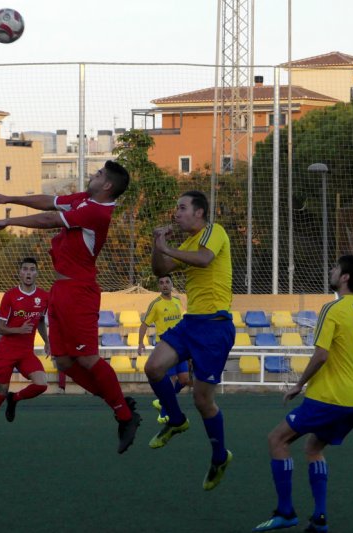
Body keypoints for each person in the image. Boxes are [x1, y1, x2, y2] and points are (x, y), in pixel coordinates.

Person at [0, 160, 141, 454]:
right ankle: (119, 403)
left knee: (88, 359)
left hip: (79, 291)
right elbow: (49, 203)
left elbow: (49, 220)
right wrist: (9, 198)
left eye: (98, 174)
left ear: (107, 185)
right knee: (64, 362)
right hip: (61, 290)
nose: (92, 176)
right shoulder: (86, 200)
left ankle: (124, 415)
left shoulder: (97, 211)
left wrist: (8, 221)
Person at [251, 255, 353, 533]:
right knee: (313, 448)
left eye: (336, 267)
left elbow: (321, 355)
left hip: (328, 398)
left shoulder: (333, 309)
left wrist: (299, 385)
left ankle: (285, 512)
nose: (332, 270)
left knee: (277, 439)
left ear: (346, 277)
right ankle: (320, 518)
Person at [144, 190, 236, 491]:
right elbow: (159, 270)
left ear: (199, 212)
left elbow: (204, 259)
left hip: (215, 327)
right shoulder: (185, 243)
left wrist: (168, 248)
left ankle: (220, 457)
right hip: (192, 322)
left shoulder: (215, 232)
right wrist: (159, 246)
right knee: (154, 367)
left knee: (203, 400)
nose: (177, 213)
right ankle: (175, 419)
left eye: (182, 208)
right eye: (176, 207)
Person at [0, 257, 50, 444]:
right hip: (6, 351)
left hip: (26, 352)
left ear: (37, 273)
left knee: (41, 384)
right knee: (1, 391)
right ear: (20, 273)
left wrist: (47, 341)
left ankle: (15, 399)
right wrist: (18, 330)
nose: (28, 273)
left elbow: (40, 321)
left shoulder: (44, 297)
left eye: (32, 269)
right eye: (25, 269)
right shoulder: (10, 296)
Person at [137, 274, 188, 424]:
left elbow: (181, 322)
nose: (164, 285)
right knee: (171, 380)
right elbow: (144, 324)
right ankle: (164, 413)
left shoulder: (178, 301)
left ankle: (162, 401)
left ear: (172, 284)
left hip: (180, 345)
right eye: (161, 283)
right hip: (165, 346)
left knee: (184, 380)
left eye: (167, 282)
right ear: (159, 286)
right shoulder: (155, 304)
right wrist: (140, 342)